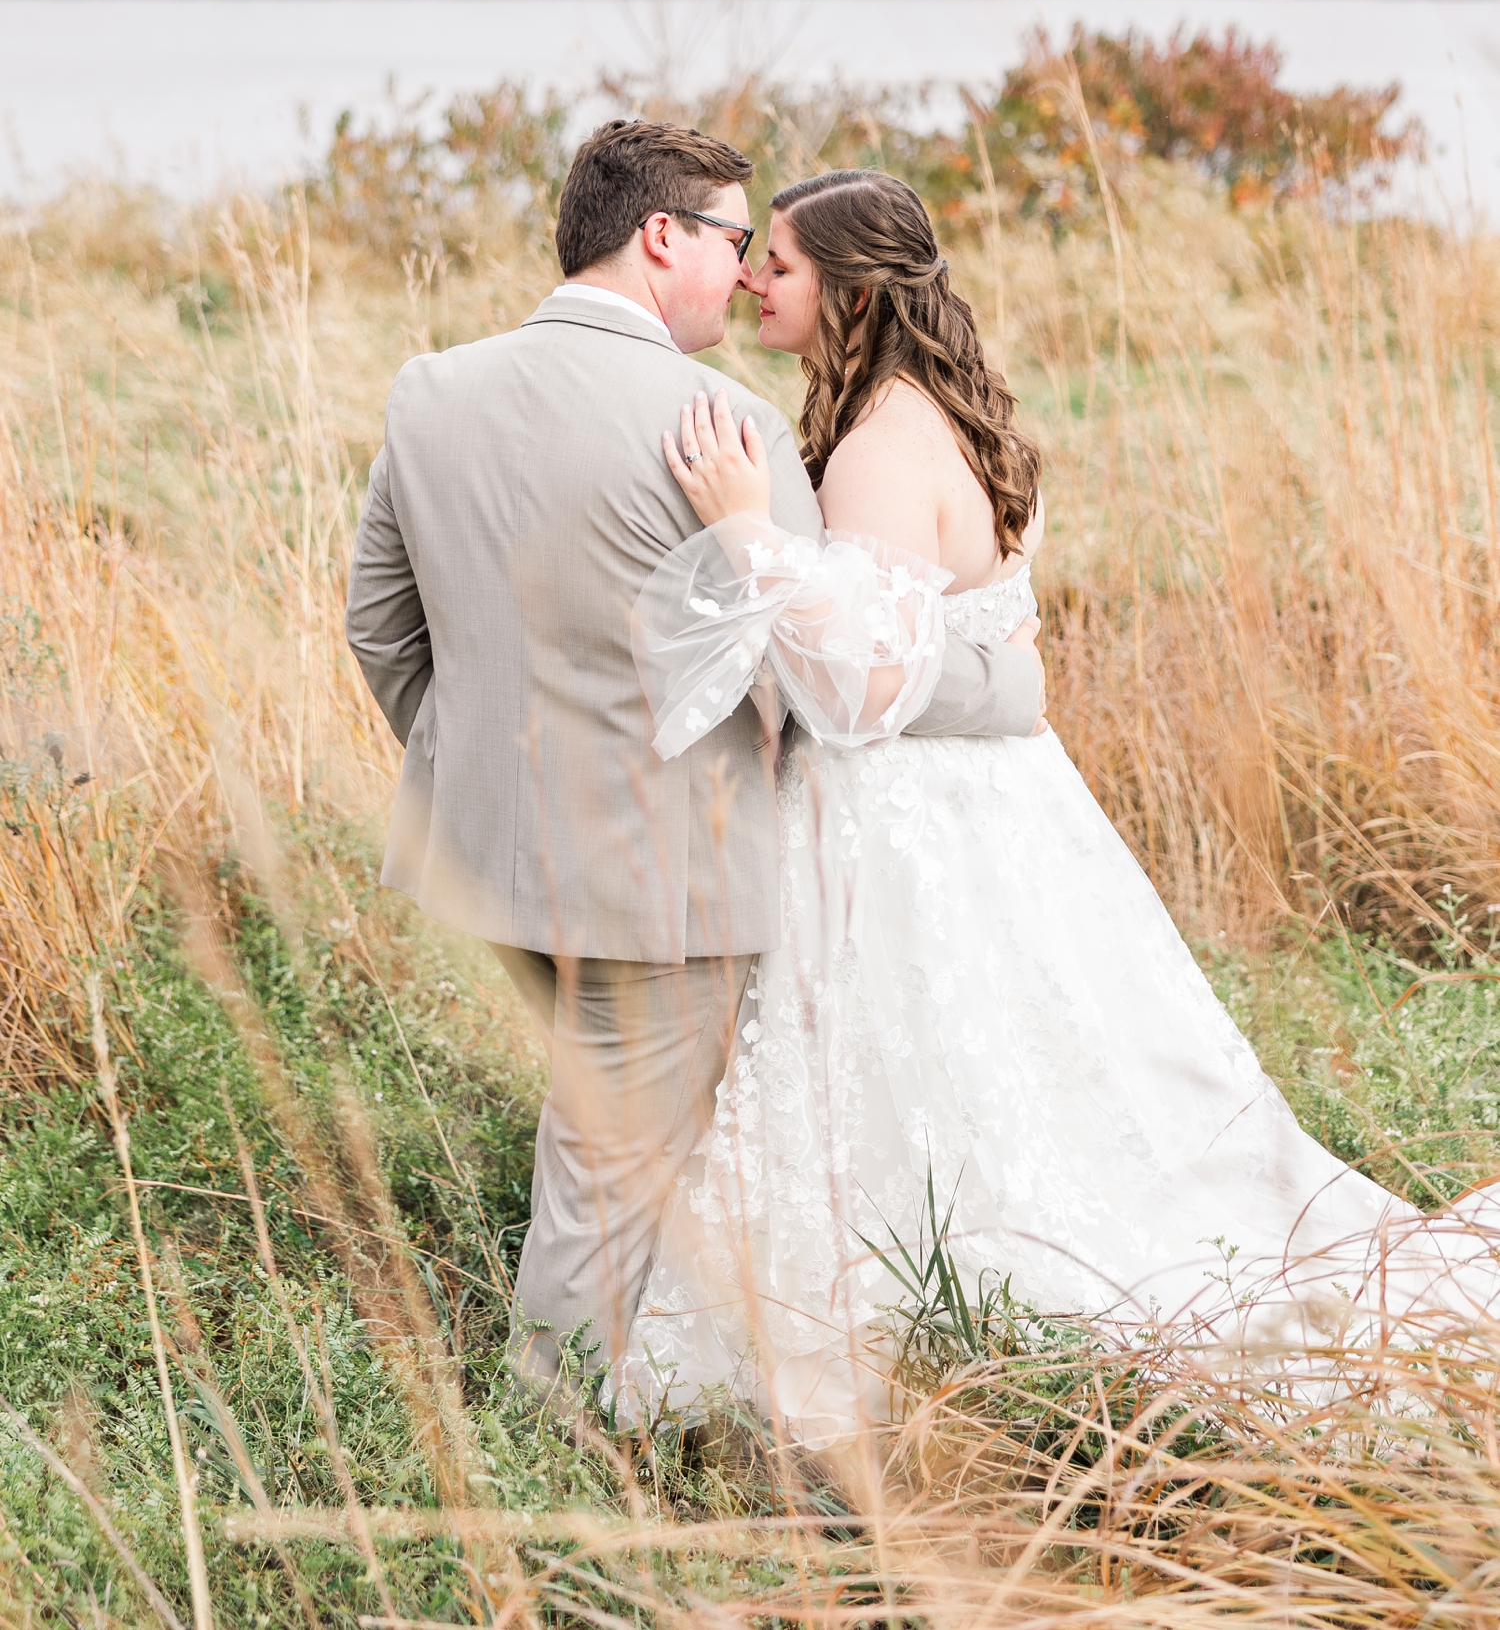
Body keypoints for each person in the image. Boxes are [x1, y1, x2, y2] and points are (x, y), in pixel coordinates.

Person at [614, 167, 1499, 1442]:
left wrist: (748, 535)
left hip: (904, 821)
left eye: (784, 265)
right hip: (999, 806)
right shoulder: (951, 418)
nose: (755, 277)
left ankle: (943, 1325)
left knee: (932, 1067)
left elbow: (861, 688)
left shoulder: (874, 449)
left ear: (851, 288)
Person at [344, 122, 1046, 1388]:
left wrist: (483, 781)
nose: (740, 275)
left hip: (488, 858)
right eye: (733, 242)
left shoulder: (429, 388)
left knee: (609, 1135)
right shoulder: (725, 424)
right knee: (603, 1164)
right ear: (660, 235)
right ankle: (550, 1435)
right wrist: (999, 678)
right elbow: (823, 678)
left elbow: (381, 629)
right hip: (665, 879)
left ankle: (645, 1380)